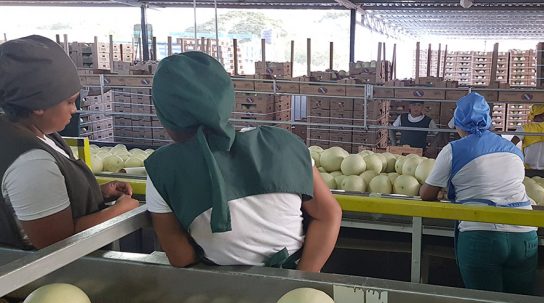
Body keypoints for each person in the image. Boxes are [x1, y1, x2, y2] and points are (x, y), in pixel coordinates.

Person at [144, 52, 342, 272]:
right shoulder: (285, 144)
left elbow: (181, 258)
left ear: (165, 115)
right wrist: (302, 279)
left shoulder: (162, 170)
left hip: (219, 291)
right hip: (295, 281)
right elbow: (328, 214)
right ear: (225, 97)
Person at [0, 35, 139, 249]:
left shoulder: (33, 132)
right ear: (39, 105)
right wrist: (118, 212)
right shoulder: (32, 163)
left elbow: (41, 205)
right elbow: (55, 241)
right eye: (70, 102)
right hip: (55, 274)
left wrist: (96, 193)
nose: (74, 110)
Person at [419, 93, 538, 295]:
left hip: (481, 236)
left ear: (459, 124)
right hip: (524, 235)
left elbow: (427, 194)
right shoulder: (513, 149)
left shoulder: (453, 150)